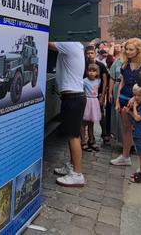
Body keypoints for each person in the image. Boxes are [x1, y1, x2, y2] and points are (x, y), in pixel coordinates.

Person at [50, 41, 87, 187]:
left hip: (73, 97)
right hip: (72, 97)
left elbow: (48, 43)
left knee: (73, 136)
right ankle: (72, 166)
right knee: (71, 134)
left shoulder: (70, 43)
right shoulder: (74, 45)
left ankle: (77, 174)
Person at [110, 38, 141, 166]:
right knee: (126, 129)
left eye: (131, 49)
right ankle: (125, 156)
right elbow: (122, 82)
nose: (128, 52)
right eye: (126, 49)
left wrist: (135, 97)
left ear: (138, 50)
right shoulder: (125, 63)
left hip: (139, 102)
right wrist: (117, 100)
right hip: (124, 99)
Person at [84, 45, 109, 145]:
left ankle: (105, 134)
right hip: (87, 95)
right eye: (88, 53)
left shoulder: (101, 65)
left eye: (92, 53)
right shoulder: (84, 65)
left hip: (97, 95)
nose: (90, 55)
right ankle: (91, 137)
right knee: (87, 117)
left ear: (95, 53)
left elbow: (105, 80)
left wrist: (102, 96)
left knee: (101, 114)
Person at [82, 63, 102, 152]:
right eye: (89, 71)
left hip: (94, 101)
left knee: (91, 123)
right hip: (87, 101)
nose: (91, 73)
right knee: (83, 123)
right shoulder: (84, 81)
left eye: (94, 71)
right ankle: (83, 141)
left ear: (97, 73)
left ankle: (91, 140)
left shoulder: (98, 81)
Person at [108, 43, 124, 146]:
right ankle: (119, 137)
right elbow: (112, 77)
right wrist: (109, 92)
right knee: (117, 113)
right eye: (122, 47)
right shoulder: (117, 61)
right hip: (117, 86)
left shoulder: (134, 62)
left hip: (128, 88)